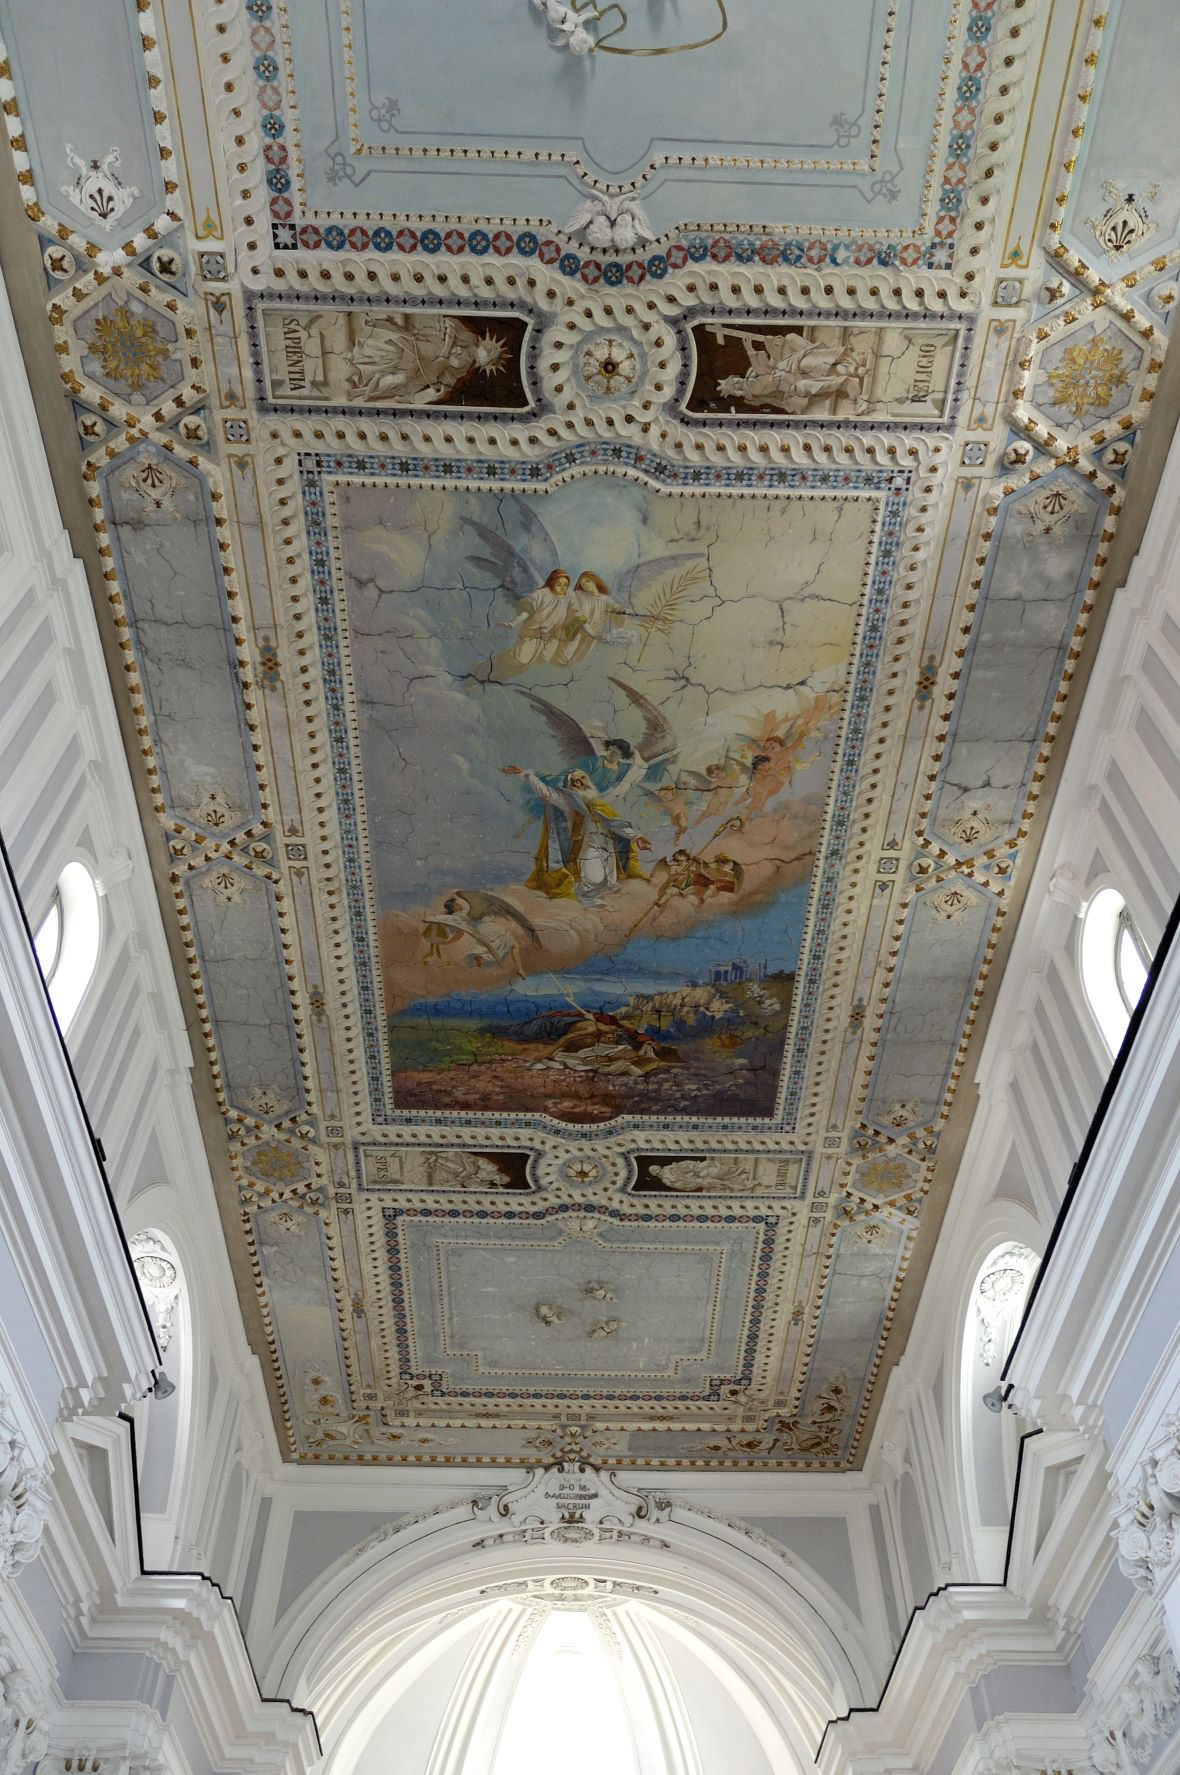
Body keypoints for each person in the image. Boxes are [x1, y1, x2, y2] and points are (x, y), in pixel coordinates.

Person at [502, 763, 650, 901]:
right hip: (587, 844)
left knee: (609, 880)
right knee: (594, 877)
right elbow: (546, 792)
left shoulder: (598, 803)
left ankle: (598, 899)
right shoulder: (568, 801)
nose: (580, 783)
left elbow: (615, 824)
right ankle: (583, 897)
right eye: (575, 781)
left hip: (607, 844)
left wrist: (637, 837)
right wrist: (527, 775)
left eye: (582, 778)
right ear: (570, 786)